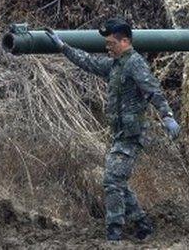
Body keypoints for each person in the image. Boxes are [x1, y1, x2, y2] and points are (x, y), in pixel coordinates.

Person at [44, 18, 180, 242]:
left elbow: (152, 90)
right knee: (117, 182)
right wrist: (63, 47)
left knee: (111, 182)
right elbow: (88, 61)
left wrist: (167, 116)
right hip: (120, 135)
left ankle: (114, 234)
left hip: (132, 135)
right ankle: (143, 224)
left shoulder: (135, 63)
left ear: (125, 41)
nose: (108, 48)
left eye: (111, 43)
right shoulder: (115, 66)